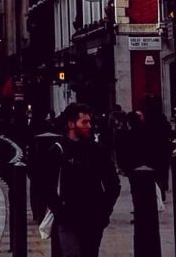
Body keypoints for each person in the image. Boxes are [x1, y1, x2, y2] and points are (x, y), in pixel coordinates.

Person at [44, 103, 121, 257]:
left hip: (93, 219)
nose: (89, 126)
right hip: (68, 220)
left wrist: (104, 212)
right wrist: (60, 211)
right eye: (84, 122)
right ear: (71, 124)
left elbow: (113, 184)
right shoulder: (58, 151)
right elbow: (46, 186)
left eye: (89, 122)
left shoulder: (97, 150)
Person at [143, 95, 172, 203]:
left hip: (151, 150)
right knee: (162, 171)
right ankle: (163, 188)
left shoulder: (146, 120)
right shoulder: (162, 118)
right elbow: (168, 131)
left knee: (154, 173)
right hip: (162, 148)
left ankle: (158, 193)